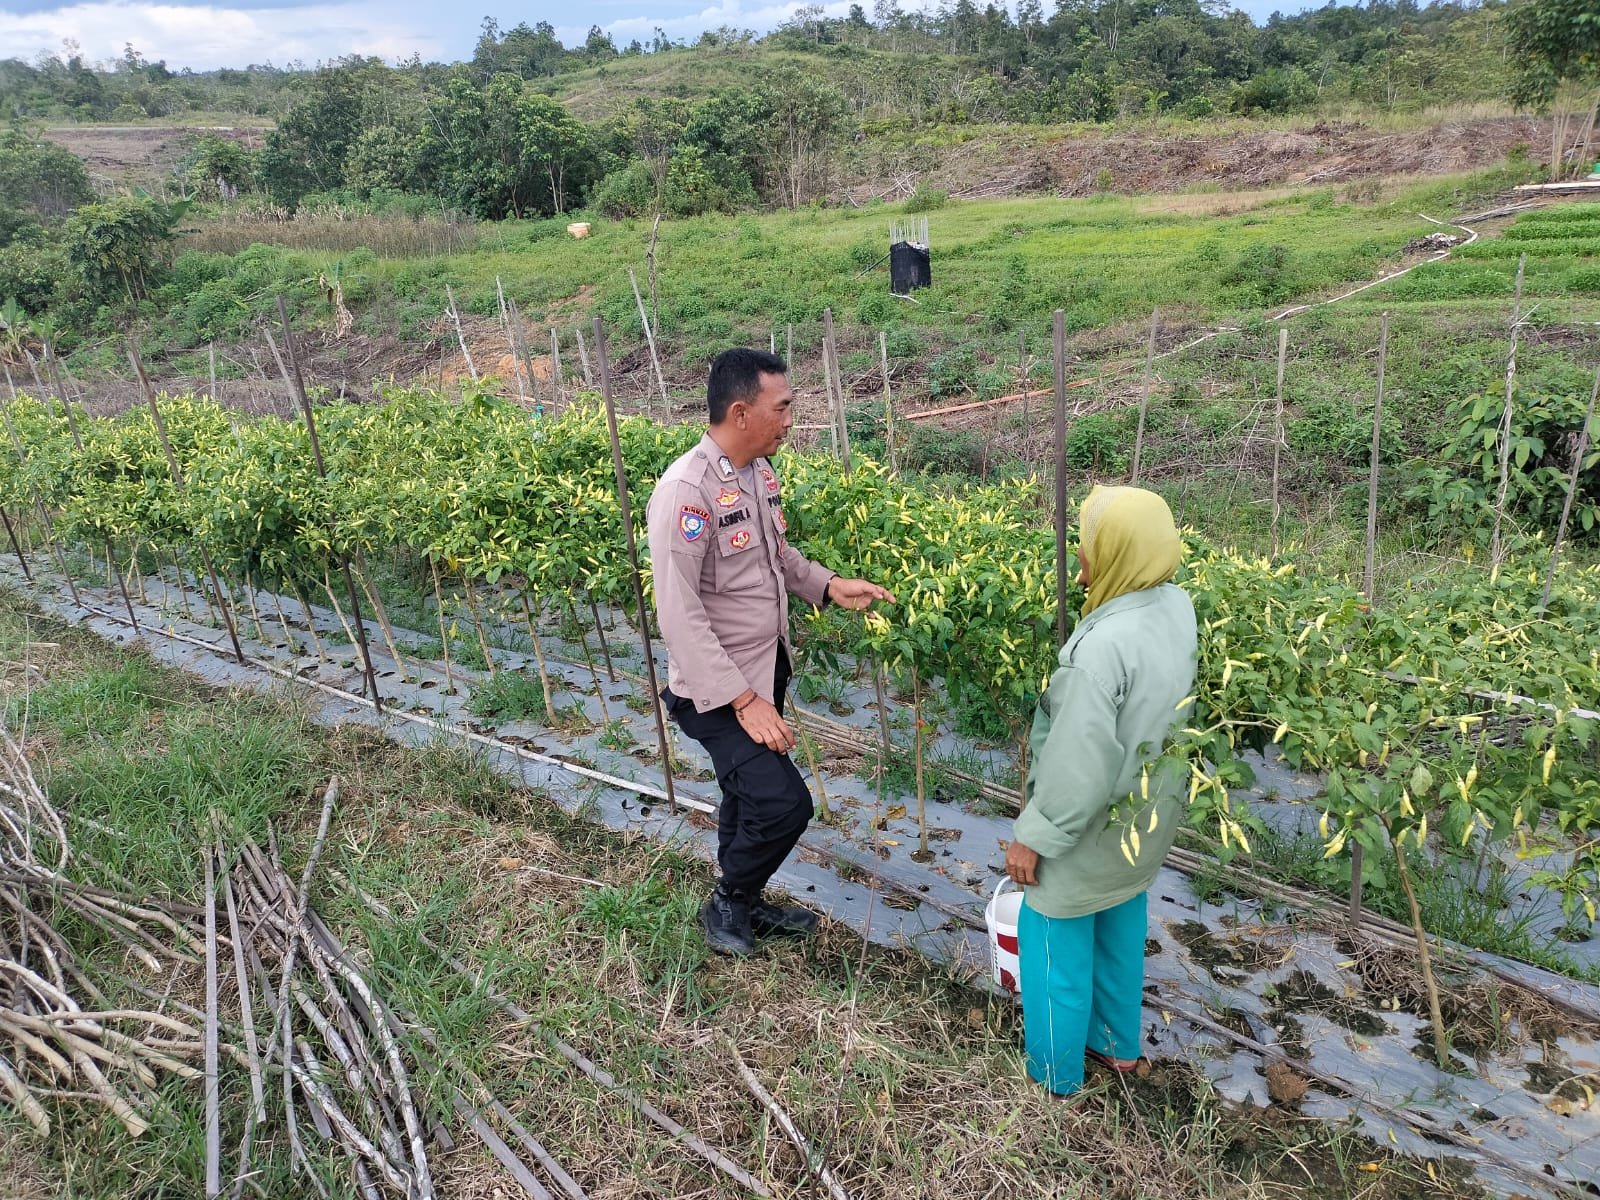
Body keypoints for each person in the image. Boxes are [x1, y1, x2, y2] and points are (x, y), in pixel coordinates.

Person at [646, 347, 895, 958]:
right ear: (740, 412)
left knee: (746, 793)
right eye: (781, 408)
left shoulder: (756, 472)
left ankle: (745, 898)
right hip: (717, 690)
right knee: (784, 804)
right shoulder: (687, 492)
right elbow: (679, 614)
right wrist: (744, 700)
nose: (790, 420)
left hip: (763, 669)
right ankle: (728, 901)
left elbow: (776, 558)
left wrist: (829, 586)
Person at [1003, 485, 1197, 1096]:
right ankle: (1116, 1048)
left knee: (1054, 945)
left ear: (1117, 551)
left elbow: (1077, 764)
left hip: (1086, 829)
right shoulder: (1176, 607)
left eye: (1087, 545)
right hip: (1143, 818)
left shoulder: (1100, 649)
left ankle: (1054, 1079)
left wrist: (1034, 837)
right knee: (1118, 922)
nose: (1080, 560)